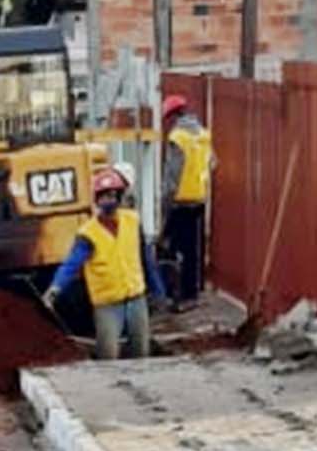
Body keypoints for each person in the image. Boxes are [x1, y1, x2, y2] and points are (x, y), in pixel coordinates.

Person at [44, 167, 160, 360]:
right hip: (107, 305)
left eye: (114, 195)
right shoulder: (88, 234)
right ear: (97, 200)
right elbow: (71, 264)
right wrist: (55, 288)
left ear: (121, 197)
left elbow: (146, 258)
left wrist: (158, 290)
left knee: (141, 352)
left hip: (136, 299)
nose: (110, 200)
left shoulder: (132, 221)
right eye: (104, 196)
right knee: (109, 356)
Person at [161, 95, 214, 308]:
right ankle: (193, 292)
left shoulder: (178, 137)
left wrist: (165, 204)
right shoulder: (203, 134)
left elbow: (172, 175)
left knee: (172, 248)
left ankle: (177, 295)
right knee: (193, 249)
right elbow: (211, 163)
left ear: (173, 115)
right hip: (199, 200)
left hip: (179, 201)